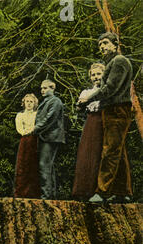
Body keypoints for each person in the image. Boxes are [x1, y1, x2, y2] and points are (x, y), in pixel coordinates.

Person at [79, 32, 133, 203]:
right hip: (112, 109)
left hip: (117, 110)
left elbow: (110, 89)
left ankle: (102, 192)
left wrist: (89, 98)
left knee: (110, 150)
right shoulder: (113, 62)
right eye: (100, 44)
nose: (102, 47)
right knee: (118, 150)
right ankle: (123, 191)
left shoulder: (119, 61)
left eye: (105, 43)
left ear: (115, 44)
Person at [72, 63, 106, 200]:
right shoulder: (86, 92)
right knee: (86, 154)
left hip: (104, 123)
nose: (96, 77)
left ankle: (100, 191)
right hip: (90, 123)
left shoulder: (107, 91)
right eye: (93, 75)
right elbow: (79, 108)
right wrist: (81, 103)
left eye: (99, 74)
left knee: (101, 154)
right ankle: (84, 190)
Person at [32, 80, 65, 200]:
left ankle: (46, 196)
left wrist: (35, 129)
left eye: (45, 88)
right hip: (46, 136)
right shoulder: (47, 101)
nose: (42, 90)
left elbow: (49, 119)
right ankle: (50, 195)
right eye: (42, 88)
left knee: (44, 165)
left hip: (51, 137)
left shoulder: (55, 101)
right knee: (48, 166)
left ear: (53, 89)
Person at [14, 93, 40, 198]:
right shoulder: (20, 115)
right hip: (24, 140)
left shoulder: (37, 114)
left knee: (33, 164)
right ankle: (20, 192)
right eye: (27, 101)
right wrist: (25, 132)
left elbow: (37, 126)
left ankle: (32, 192)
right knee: (22, 164)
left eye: (31, 102)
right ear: (23, 103)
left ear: (34, 103)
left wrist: (32, 131)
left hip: (34, 140)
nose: (29, 104)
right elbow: (19, 129)